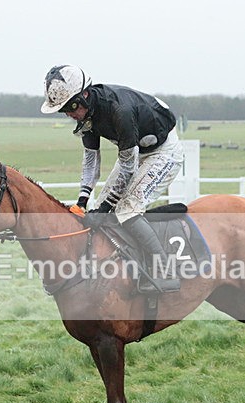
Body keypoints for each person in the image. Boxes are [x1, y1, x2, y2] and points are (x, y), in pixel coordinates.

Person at [41, 65, 184, 293]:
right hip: (134, 151)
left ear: (84, 95)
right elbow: (90, 161)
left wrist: (107, 206)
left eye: (71, 106)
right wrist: (82, 200)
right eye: (63, 110)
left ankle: (164, 270)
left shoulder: (119, 110)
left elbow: (128, 167)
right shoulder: (86, 116)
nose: (68, 113)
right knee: (99, 210)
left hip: (163, 152)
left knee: (126, 209)